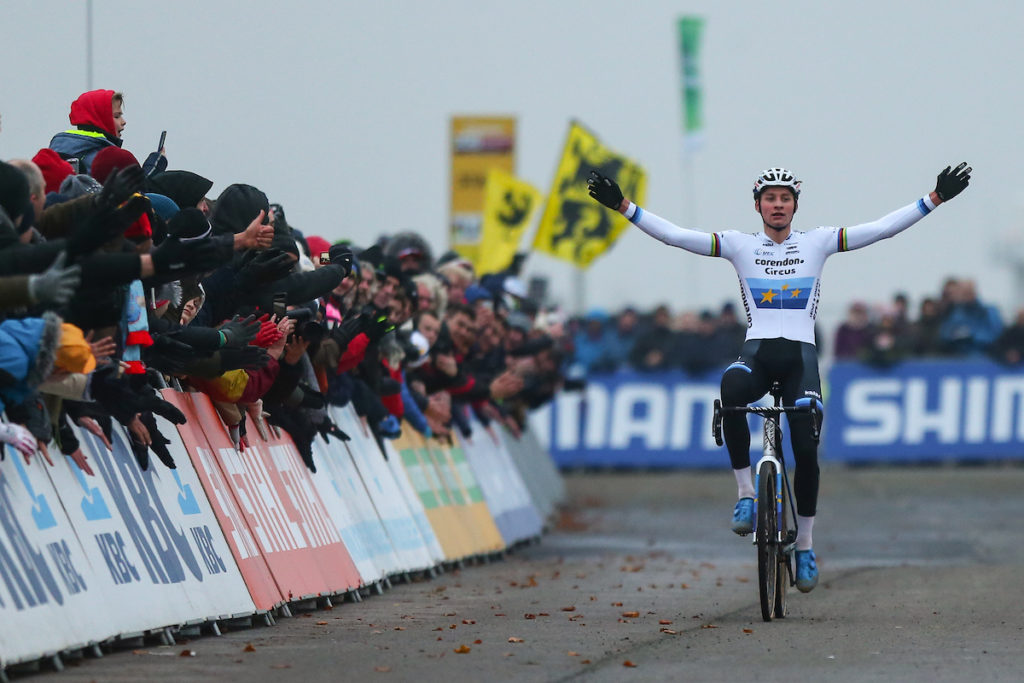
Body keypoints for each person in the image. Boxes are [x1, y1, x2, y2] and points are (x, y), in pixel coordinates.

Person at [589, 162, 972, 593]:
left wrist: (933, 199)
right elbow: (678, 236)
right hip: (757, 354)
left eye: (785, 199)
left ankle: (805, 545)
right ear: (758, 206)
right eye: (770, 198)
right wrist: (624, 206)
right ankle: (746, 496)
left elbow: (881, 229)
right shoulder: (738, 245)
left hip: (801, 360)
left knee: (806, 450)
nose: (777, 205)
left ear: (794, 207)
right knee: (731, 390)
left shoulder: (819, 242)